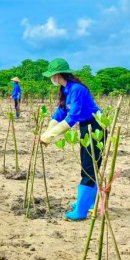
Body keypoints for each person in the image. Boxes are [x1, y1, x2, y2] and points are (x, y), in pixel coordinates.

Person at [40, 58, 104, 221]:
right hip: (85, 126)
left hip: (95, 126)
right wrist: (45, 134)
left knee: (89, 167)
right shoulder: (66, 89)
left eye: (52, 75)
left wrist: (50, 136)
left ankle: (82, 211)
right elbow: (60, 113)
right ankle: (89, 203)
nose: (51, 79)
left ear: (59, 74)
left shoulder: (77, 89)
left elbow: (72, 117)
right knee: (87, 164)